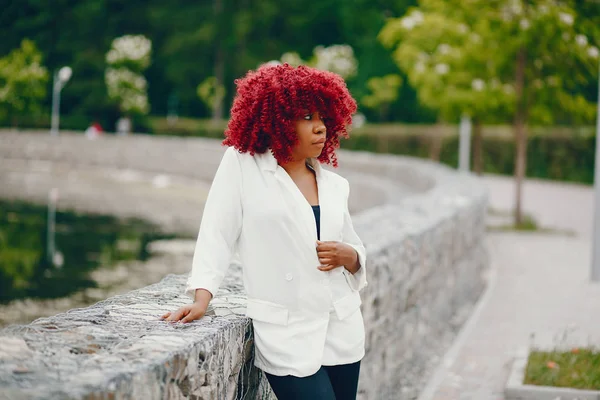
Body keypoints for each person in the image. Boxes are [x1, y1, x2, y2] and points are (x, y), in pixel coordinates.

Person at [161, 63, 368, 400]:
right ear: (278, 120)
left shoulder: (334, 186)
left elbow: (356, 248)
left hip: (341, 326)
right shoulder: (243, 164)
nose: (320, 128)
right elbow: (217, 230)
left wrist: (351, 256)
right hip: (286, 331)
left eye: (323, 117)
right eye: (306, 117)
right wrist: (202, 296)